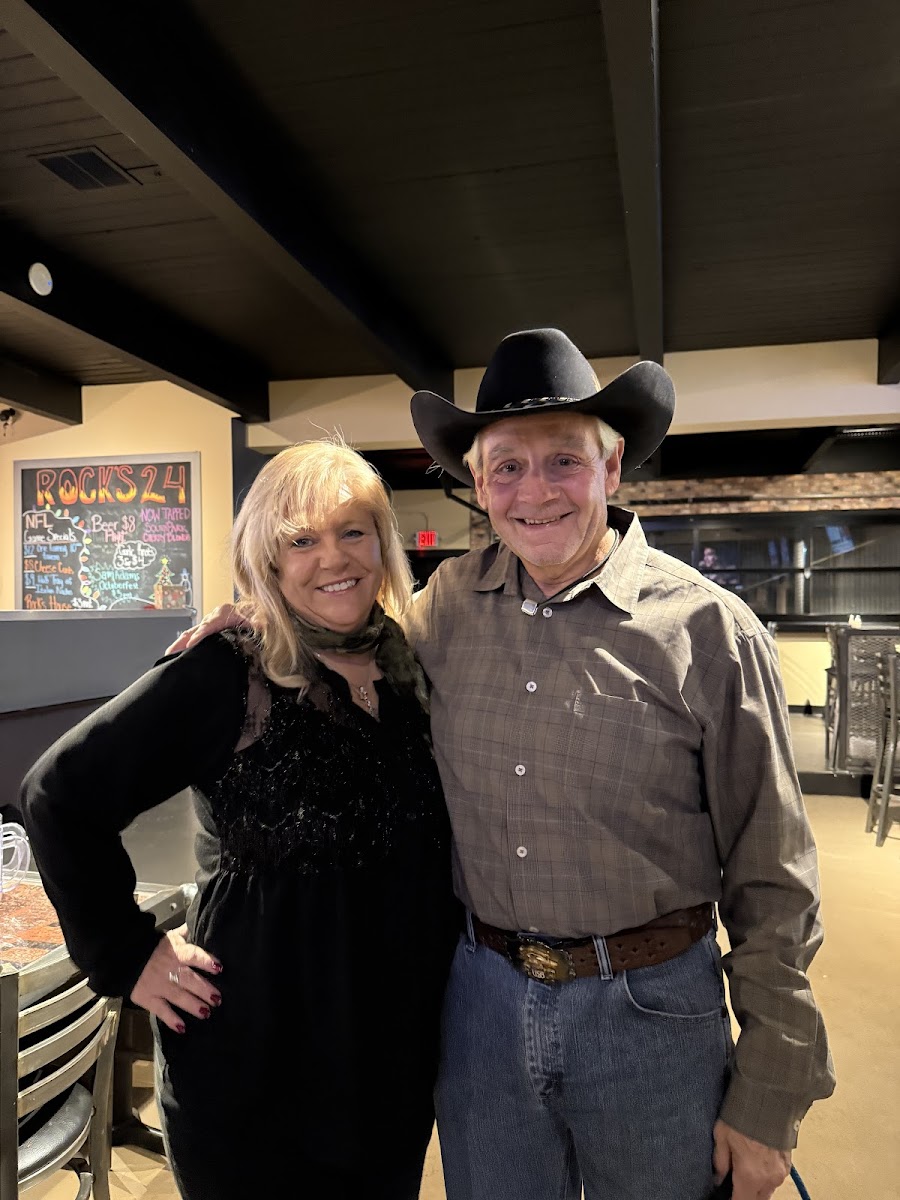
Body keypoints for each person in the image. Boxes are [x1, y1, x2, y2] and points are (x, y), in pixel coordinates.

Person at [177, 329, 835, 1200]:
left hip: (651, 1012)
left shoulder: (708, 632)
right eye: (507, 468)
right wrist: (260, 619)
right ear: (479, 486)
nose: (535, 492)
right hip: (481, 1007)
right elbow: (339, 640)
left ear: (611, 468)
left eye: (563, 461)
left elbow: (774, 878)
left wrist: (772, 1094)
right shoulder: (444, 608)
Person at [21, 440, 458, 1200]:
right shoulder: (229, 668)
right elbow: (58, 794)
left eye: (352, 532)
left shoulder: (410, 667)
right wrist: (128, 953)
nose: (333, 558)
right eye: (301, 540)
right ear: (267, 558)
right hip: (256, 1068)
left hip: (389, 1068)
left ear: (383, 545)